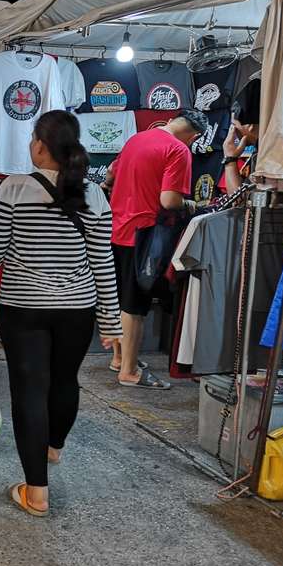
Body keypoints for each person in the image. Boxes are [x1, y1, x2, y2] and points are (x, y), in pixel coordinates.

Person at [0, 110, 123, 518]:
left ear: (41, 145)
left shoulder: (13, 189)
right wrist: (111, 321)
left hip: (22, 308)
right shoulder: (94, 193)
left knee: (29, 392)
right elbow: (102, 262)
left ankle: (36, 493)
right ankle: (53, 447)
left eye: (32, 140)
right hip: (78, 309)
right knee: (64, 381)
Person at [104, 109, 207, 390]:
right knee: (134, 306)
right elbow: (169, 200)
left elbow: (111, 175)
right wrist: (189, 205)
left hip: (117, 227)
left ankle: (118, 358)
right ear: (194, 136)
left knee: (120, 297)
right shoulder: (178, 150)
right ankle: (129, 371)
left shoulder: (136, 139)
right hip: (145, 232)